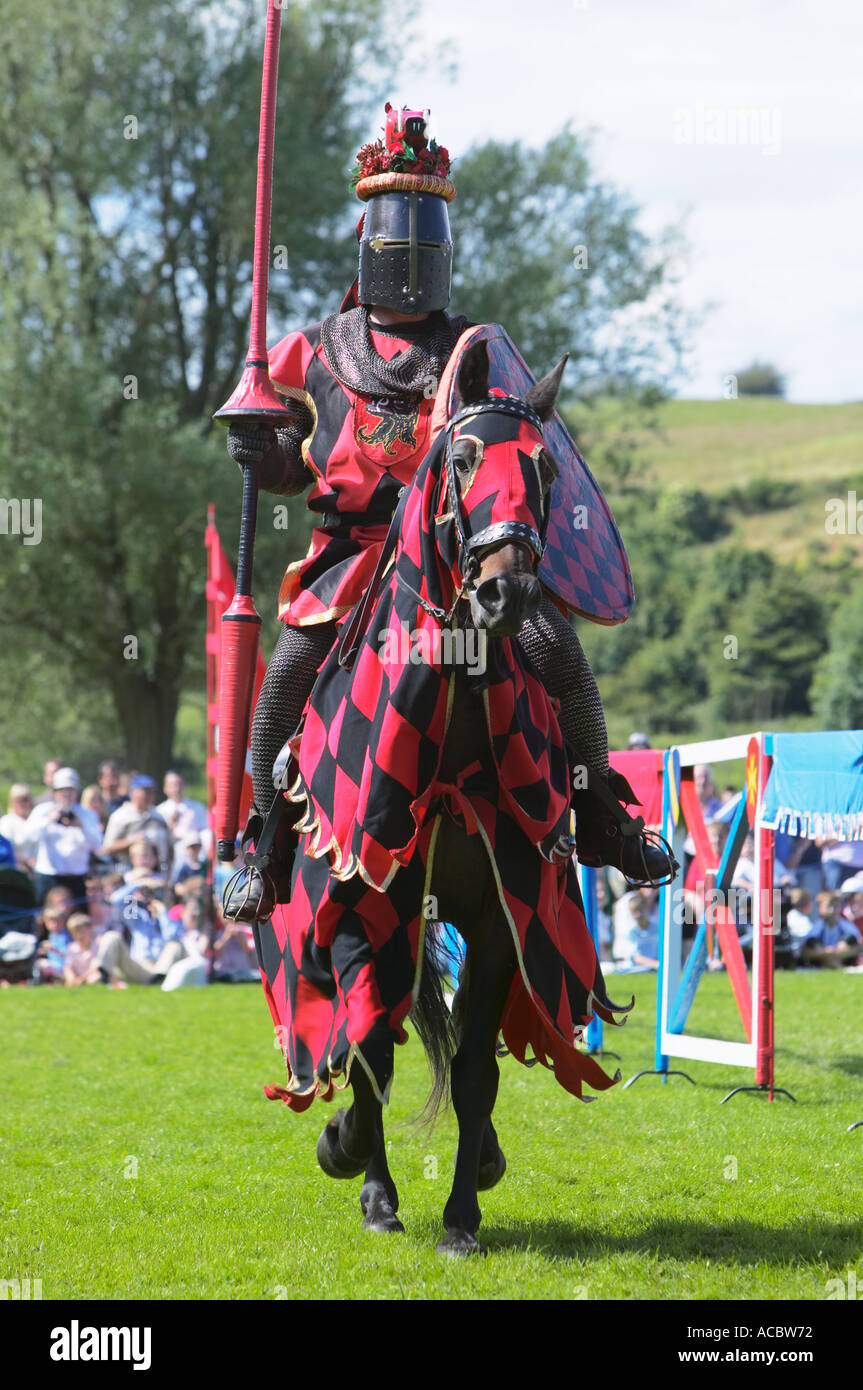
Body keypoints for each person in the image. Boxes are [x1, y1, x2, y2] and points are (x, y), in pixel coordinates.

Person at [225, 103, 675, 920]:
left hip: (453, 557)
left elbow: (510, 452)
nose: (411, 258)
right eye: (399, 241)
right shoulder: (310, 350)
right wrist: (265, 457)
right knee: (286, 677)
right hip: (351, 558)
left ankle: (601, 812)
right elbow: (298, 469)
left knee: (553, 649)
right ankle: (267, 839)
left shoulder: (474, 349)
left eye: (425, 242)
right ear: (370, 245)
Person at [25, 768, 104, 908]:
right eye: (62, 790)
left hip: (77, 880)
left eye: (70, 790)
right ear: (55, 792)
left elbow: (98, 846)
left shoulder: (87, 815)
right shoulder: (43, 811)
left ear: (77, 791)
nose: (67, 794)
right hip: (49, 878)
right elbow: (26, 839)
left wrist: (81, 826)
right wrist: (48, 820)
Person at [95, 881, 186, 984]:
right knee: (111, 936)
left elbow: (171, 936)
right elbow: (116, 900)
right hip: (138, 966)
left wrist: (162, 912)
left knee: (175, 945)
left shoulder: (171, 919)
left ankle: (157, 980)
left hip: (161, 967)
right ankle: (104, 976)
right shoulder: (139, 918)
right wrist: (138, 883)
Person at [102, 775, 172, 874]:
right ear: (133, 792)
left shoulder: (159, 815)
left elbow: (169, 847)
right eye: (145, 791)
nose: (149, 795)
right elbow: (108, 848)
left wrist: (169, 871)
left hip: (159, 875)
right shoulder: (121, 816)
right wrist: (132, 841)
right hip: (128, 874)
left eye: (152, 791)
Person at [800, 891, 861, 968]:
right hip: (822, 957)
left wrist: (838, 953)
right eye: (829, 906)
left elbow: (858, 944)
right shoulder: (816, 926)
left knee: (850, 938)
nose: (833, 910)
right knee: (812, 941)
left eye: (836, 906)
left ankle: (834, 963)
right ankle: (832, 963)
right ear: (820, 908)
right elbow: (805, 950)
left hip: (842, 957)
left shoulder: (846, 925)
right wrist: (826, 952)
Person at [0, 784, 35, 872]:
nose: (23, 804)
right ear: (12, 803)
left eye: (25, 800)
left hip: (39, 869)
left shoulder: (36, 819)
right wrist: (25, 863)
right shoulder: (7, 821)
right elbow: (7, 848)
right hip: (17, 870)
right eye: (18, 800)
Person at [63, 913, 103, 986]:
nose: (79, 936)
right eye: (75, 932)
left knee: (96, 978)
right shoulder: (72, 948)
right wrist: (72, 978)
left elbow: (96, 968)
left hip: (91, 976)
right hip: (77, 977)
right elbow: (68, 967)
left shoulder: (97, 947)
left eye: (82, 931)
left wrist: (82, 979)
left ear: (90, 929)